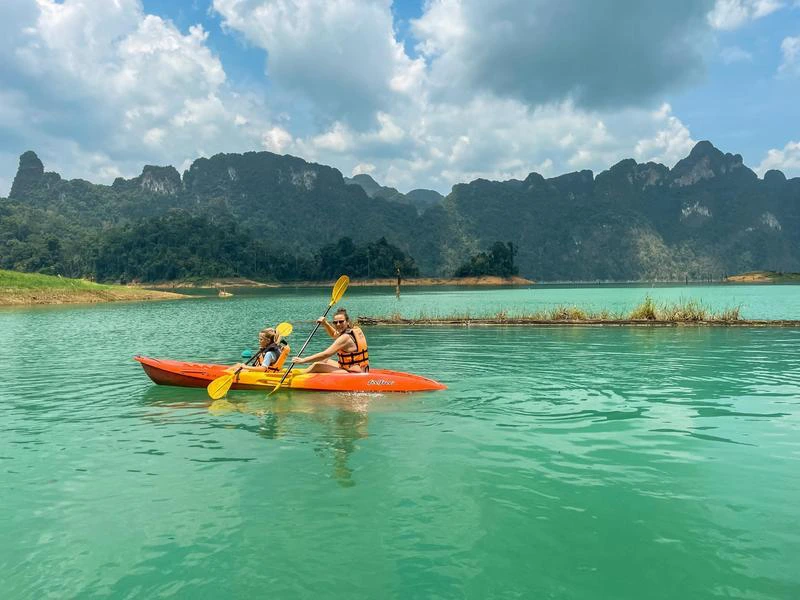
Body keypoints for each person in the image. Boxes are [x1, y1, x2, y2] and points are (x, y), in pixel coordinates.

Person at [291, 308, 369, 373]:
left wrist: (303, 360)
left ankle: (297, 377)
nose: (338, 324)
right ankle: (304, 372)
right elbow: (334, 334)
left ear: (347, 322)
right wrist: (325, 323)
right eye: (335, 322)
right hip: (360, 369)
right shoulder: (355, 330)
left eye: (341, 321)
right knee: (325, 361)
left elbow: (326, 354)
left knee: (317, 366)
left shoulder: (345, 338)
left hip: (354, 374)